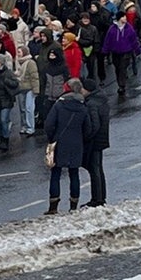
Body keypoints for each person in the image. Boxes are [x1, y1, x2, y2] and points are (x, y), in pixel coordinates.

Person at [44, 78, 92, 214]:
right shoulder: (83, 107)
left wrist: (52, 138)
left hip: (59, 142)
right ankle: (73, 206)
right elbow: (88, 129)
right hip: (76, 144)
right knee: (74, 173)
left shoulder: (59, 105)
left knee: (55, 172)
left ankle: (53, 207)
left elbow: (49, 124)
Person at [80, 76, 110, 207]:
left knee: (94, 170)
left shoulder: (91, 103)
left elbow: (94, 124)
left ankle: (97, 199)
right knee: (98, 169)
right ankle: (100, 197)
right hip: (102, 139)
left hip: (95, 140)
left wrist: (86, 136)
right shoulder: (101, 100)